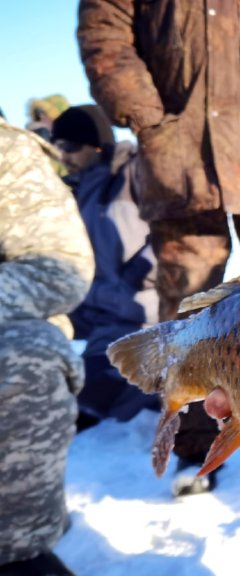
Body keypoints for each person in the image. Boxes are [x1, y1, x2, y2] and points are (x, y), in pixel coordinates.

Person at [77, 0, 240, 495]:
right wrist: (148, 116)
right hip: (179, 156)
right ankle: (195, 442)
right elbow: (104, 30)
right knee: (186, 307)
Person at [0, 115, 94, 575]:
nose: (70, 154)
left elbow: (60, 268)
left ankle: (17, 552)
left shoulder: (6, 154)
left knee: (30, 354)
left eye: (74, 147)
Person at [51, 104, 160, 432]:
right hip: (92, 309)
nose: (63, 156)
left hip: (138, 310)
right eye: (57, 147)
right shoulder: (75, 189)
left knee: (93, 398)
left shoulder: (134, 173)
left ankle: (159, 389)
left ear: (97, 144)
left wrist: (136, 281)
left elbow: (168, 238)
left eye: (70, 146)